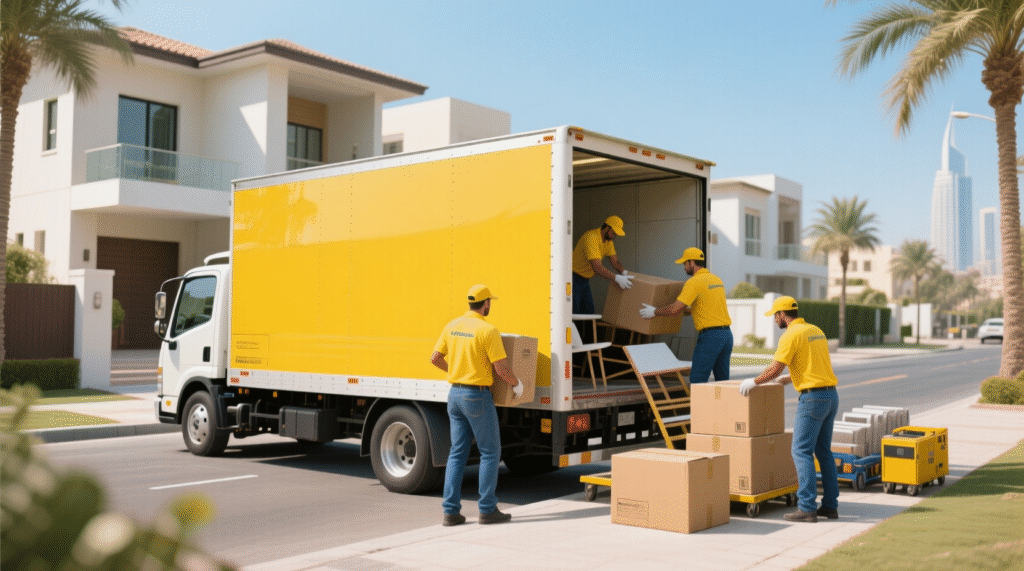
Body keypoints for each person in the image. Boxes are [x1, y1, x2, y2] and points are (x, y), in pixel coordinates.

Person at [738, 296, 839, 523]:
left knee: (801, 451)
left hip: (813, 399)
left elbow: (774, 368)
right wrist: (788, 379)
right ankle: (830, 506)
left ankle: (806, 508)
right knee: (824, 452)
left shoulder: (790, 335)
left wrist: (754, 382)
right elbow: (813, 365)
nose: (775, 320)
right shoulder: (815, 330)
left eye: (775, 316)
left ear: (783, 315)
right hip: (831, 396)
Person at [430, 284, 523, 527]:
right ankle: (487, 509)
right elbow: (501, 368)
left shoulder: (452, 325)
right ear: (486, 304)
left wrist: (457, 371)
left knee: (457, 453)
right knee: (490, 452)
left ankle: (450, 512)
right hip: (477, 397)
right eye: (490, 301)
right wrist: (517, 384)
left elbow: (435, 358)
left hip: (455, 396)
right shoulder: (487, 330)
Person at [638, 247, 732, 384]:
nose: (684, 267)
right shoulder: (716, 280)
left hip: (710, 338)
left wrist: (654, 311)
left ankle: (698, 406)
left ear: (692, 262)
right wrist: (684, 311)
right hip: (726, 336)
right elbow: (703, 307)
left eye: (685, 263)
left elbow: (674, 310)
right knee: (723, 383)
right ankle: (723, 406)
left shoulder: (694, 282)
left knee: (697, 382)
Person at [572, 215, 633, 315]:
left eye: (616, 234)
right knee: (574, 313)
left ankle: (587, 331)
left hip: (585, 280)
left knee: (589, 312)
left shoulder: (608, 241)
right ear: (607, 227)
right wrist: (616, 278)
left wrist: (624, 272)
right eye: (613, 232)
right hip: (572, 278)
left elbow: (615, 262)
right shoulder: (591, 237)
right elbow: (597, 267)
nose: (614, 236)